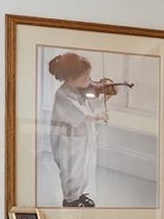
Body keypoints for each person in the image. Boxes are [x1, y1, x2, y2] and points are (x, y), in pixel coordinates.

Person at [46, 52, 116, 207]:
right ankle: (70, 200)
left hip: (83, 139)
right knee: (72, 170)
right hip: (69, 142)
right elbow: (84, 116)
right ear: (70, 79)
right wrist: (100, 116)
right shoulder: (62, 95)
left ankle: (79, 195)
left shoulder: (81, 89)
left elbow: (93, 105)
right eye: (86, 77)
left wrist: (107, 97)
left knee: (85, 167)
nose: (90, 80)